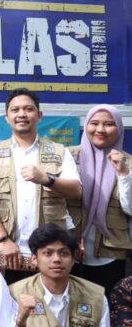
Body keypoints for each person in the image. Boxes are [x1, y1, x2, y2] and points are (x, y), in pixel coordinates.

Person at [0, 88, 81, 284]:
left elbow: (76, 191)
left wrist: (47, 179)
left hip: (49, 250)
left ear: (39, 115)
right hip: (7, 249)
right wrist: (3, 239)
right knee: (5, 300)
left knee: (46, 301)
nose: (22, 114)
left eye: (28, 109)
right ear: (7, 117)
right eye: (15, 110)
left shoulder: (59, 151)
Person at [68, 105, 132, 296]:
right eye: (94, 123)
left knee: (106, 306)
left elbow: (129, 208)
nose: (100, 129)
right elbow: (55, 204)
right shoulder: (67, 157)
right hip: (68, 252)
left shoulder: (128, 162)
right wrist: (68, 239)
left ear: (119, 128)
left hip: (110, 254)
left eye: (109, 124)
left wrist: (123, 172)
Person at [11, 223, 109, 327]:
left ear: (73, 259)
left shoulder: (95, 297)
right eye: (48, 253)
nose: (57, 259)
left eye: (64, 253)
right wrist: (20, 321)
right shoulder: (15, 294)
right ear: (34, 259)